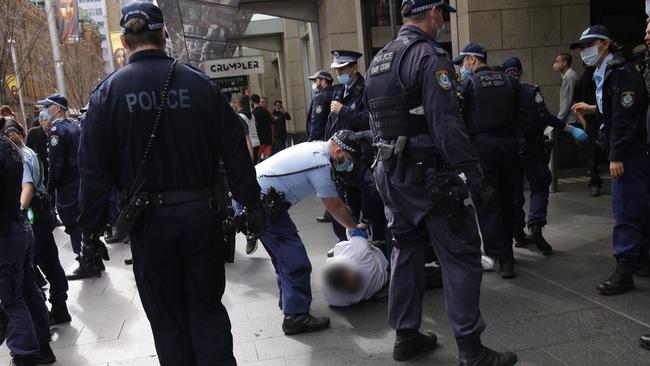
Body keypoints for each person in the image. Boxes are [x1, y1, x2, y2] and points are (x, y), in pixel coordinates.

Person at [76, 3, 263, 364]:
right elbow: (235, 152)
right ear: (164, 35)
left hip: (149, 224)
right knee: (207, 309)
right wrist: (250, 204)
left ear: (124, 40)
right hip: (202, 217)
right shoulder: (199, 84)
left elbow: (93, 169)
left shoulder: (107, 94)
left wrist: (90, 229)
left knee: (167, 318)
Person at [365, 1, 517, 364]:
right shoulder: (429, 57)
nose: (444, 22)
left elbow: (377, 121)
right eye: (443, 15)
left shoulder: (380, 59)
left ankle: (405, 335)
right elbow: (446, 125)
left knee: (405, 249)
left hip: (391, 172)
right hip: (428, 176)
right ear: (433, 13)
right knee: (462, 254)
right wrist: (475, 175)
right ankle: (470, 348)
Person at [253, 140, 368, 335]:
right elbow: (334, 205)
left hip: (260, 199)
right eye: (348, 160)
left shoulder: (316, 148)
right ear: (339, 151)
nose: (348, 165)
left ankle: (289, 301)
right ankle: (295, 317)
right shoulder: (321, 162)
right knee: (295, 259)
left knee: (282, 255)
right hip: (262, 203)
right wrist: (353, 227)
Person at [571, 25, 650, 296]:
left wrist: (616, 155)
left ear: (604, 44)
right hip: (628, 150)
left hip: (629, 153)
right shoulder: (604, 72)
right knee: (637, 207)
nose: (584, 52)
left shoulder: (620, 71)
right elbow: (614, 107)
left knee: (625, 209)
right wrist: (593, 109)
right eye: (581, 48)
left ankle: (625, 269)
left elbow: (626, 118)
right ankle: (640, 260)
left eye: (588, 45)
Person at [501, 57, 588, 255]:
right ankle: (535, 227)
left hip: (510, 149)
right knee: (540, 183)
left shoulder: (499, 95)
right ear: (521, 72)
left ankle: (517, 234)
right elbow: (544, 116)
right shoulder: (530, 91)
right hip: (531, 147)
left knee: (514, 191)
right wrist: (568, 128)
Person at [454, 42, 525, 279]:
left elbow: (458, 119)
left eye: (464, 61)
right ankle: (508, 250)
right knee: (507, 198)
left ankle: (502, 256)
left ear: (473, 59)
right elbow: (525, 113)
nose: (463, 66)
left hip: (483, 149)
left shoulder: (468, 85)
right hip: (510, 146)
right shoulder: (510, 82)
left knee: (487, 201)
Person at [3, 118, 71, 324]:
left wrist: (19, 210)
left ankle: (44, 313)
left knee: (30, 267)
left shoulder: (18, 155)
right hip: (43, 213)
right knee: (50, 260)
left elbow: (27, 187)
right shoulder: (28, 152)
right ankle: (60, 306)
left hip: (32, 215)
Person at [0, 119, 55, 366]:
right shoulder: (9, 147)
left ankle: (25, 354)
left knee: (12, 297)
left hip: (6, 232)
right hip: (18, 227)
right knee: (27, 289)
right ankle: (41, 344)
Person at [37, 93, 97, 280]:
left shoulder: (57, 130)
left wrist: (50, 187)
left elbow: (56, 164)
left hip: (67, 186)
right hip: (79, 181)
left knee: (73, 223)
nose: (45, 111)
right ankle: (94, 258)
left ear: (56, 108)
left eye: (47, 107)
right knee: (82, 220)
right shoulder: (73, 125)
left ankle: (84, 260)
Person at [322, 236, 388, 307]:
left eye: (355, 278)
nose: (355, 283)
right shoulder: (335, 299)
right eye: (351, 286)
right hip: (385, 270)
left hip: (373, 255)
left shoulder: (358, 253)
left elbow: (354, 233)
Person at [325, 50, 370, 138]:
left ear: (355, 68)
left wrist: (343, 110)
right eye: (337, 69)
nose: (338, 73)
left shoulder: (366, 89)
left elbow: (368, 120)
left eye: (342, 69)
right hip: (337, 146)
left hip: (357, 146)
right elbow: (331, 123)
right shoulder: (338, 91)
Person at [306, 70, 334, 142]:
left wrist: (311, 140)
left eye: (316, 80)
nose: (314, 83)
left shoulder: (320, 97)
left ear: (323, 81)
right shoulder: (334, 93)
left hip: (321, 139)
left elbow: (317, 121)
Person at [25, 111, 50, 186]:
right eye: (45, 120)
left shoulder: (55, 132)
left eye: (50, 119)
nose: (48, 122)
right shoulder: (33, 133)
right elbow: (28, 151)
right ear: (40, 121)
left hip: (53, 170)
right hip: (39, 170)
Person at [554, 53, 578, 126]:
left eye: (557, 61)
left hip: (571, 120)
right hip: (567, 119)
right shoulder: (565, 76)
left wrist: (558, 120)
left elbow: (567, 101)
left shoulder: (569, 77)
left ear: (564, 63)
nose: (555, 64)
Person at [252, 95, 273, 161]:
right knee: (267, 160)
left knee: (257, 160)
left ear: (252, 102)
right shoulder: (267, 112)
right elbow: (272, 122)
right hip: (268, 139)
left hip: (259, 140)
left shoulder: (253, 114)